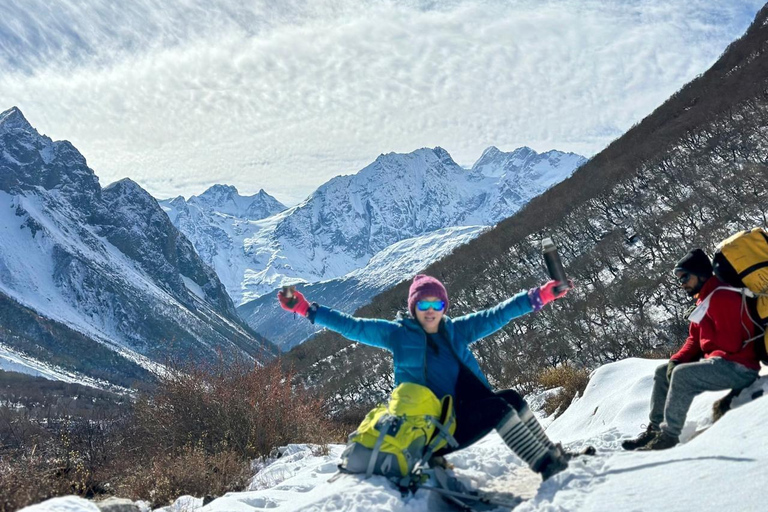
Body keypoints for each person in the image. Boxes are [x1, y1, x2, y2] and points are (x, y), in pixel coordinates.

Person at [278, 274, 576, 479]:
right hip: (428, 430)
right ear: (413, 307)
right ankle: (546, 466)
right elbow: (352, 326)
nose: (431, 311)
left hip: (455, 416)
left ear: (444, 307)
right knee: (499, 408)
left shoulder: (455, 329)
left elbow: (497, 314)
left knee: (510, 397)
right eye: (424, 305)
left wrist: (542, 295)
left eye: (438, 305)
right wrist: (306, 309)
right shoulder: (396, 334)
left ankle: (549, 453)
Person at [622, 248, 761, 451]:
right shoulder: (703, 300)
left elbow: (731, 343)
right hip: (720, 362)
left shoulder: (722, 297)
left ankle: (669, 437)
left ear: (701, 273)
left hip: (740, 367)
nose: (682, 284)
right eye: (679, 279)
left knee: (682, 376)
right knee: (663, 373)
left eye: (685, 277)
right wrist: (676, 360)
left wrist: (704, 354)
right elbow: (693, 340)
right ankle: (655, 430)